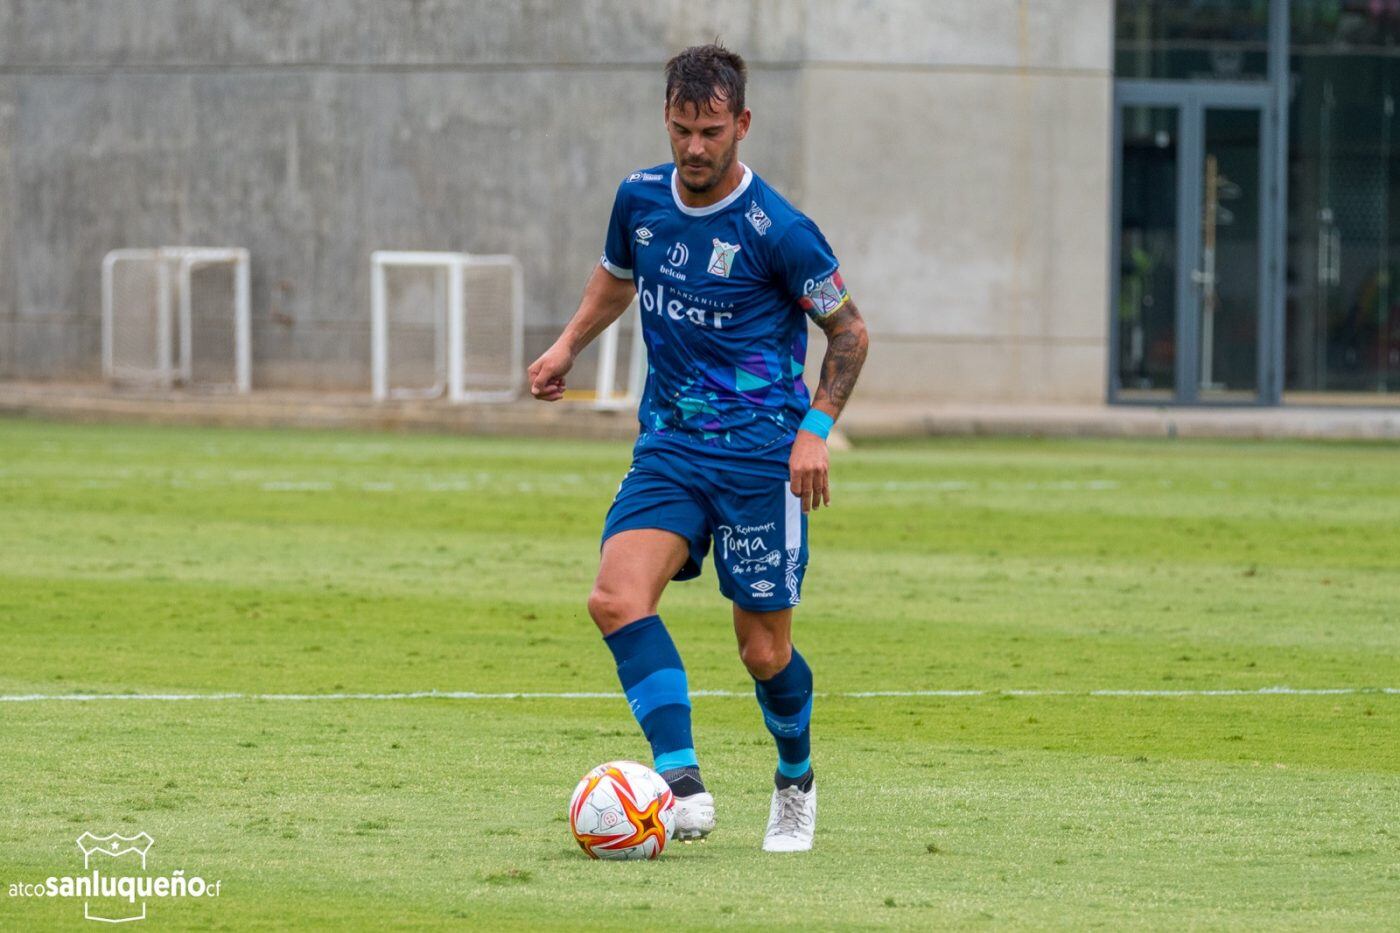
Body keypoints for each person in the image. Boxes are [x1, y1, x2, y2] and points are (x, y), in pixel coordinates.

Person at [528, 42, 868, 853]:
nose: (694, 147)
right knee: (615, 598)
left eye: (712, 129)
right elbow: (618, 275)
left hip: (760, 463)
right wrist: (567, 345)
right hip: (672, 450)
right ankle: (680, 784)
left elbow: (848, 332)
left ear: (741, 124)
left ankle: (795, 777)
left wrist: (814, 431)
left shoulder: (779, 230)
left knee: (763, 651)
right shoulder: (640, 198)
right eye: (682, 128)